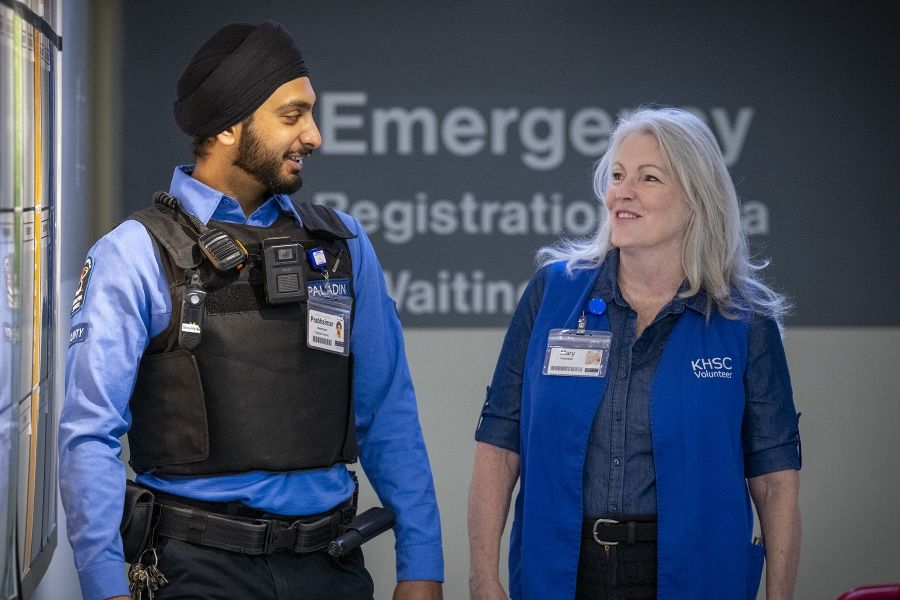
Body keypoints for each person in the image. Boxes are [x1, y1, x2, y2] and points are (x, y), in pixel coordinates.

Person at [59, 21, 443, 600]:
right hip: (192, 571)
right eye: (292, 115)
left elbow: (388, 409)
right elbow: (89, 435)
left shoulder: (343, 246)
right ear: (229, 127)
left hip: (330, 566)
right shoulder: (134, 254)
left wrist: (422, 564)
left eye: (312, 113)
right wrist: (104, 584)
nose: (314, 135)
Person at [468, 107, 801, 600]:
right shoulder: (553, 294)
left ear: (695, 199)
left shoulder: (743, 319)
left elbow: (775, 483)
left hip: (695, 574)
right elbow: (499, 447)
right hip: (563, 571)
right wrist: (483, 578)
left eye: (648, 178)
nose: (621, 192)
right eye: (618, 175)